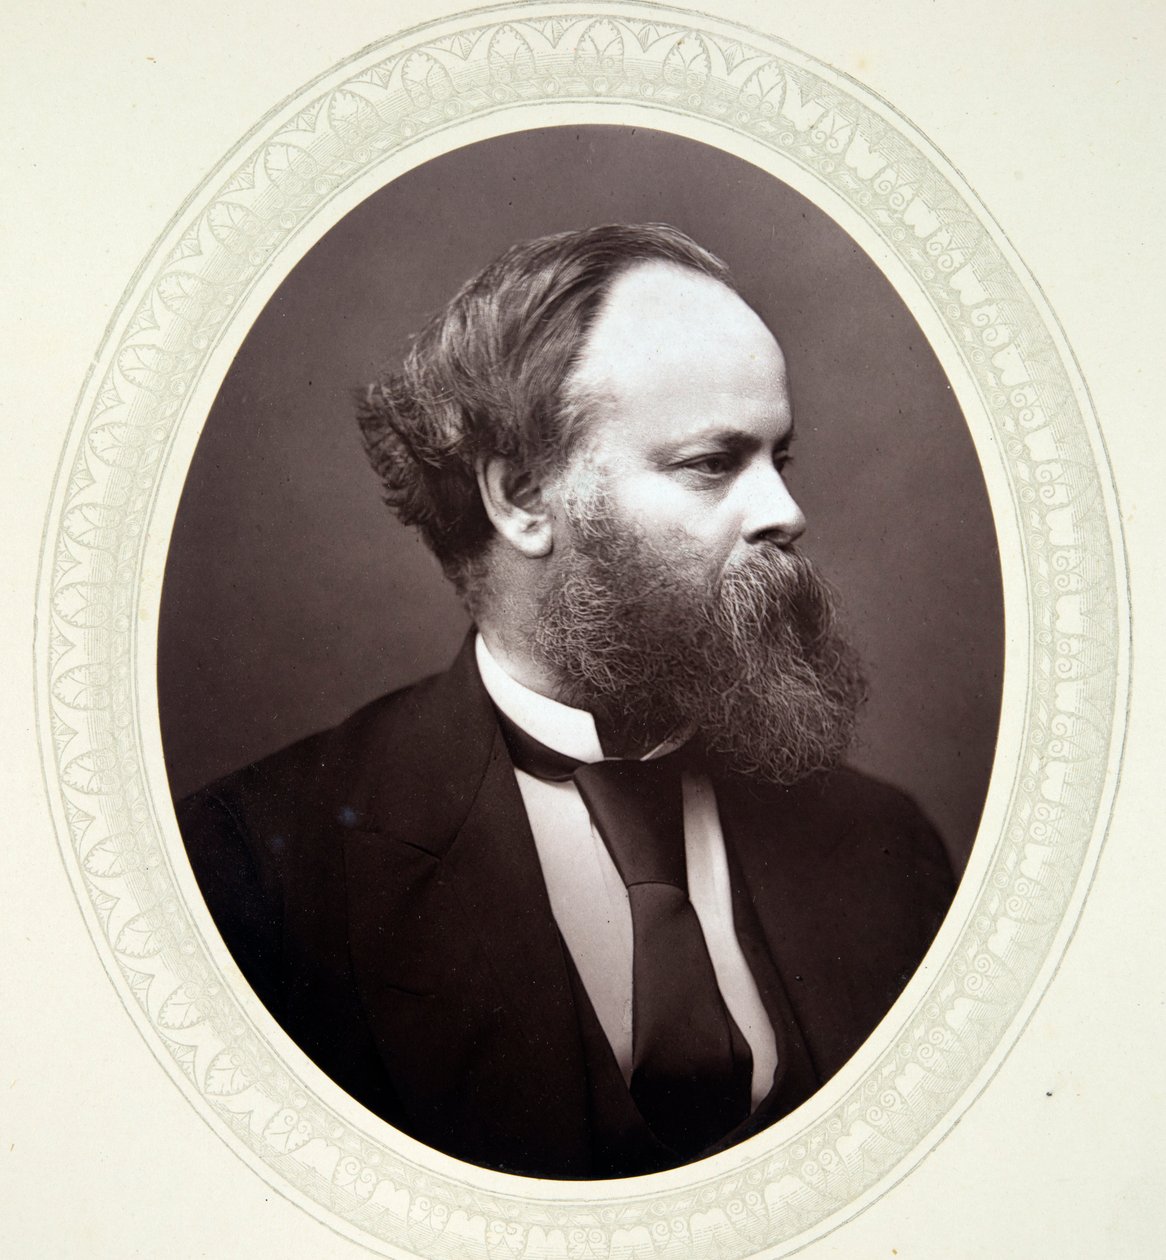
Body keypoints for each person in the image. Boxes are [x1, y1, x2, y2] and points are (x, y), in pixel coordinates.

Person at [177, 223, 954, 1180]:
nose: (785, 513)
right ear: (521, 497)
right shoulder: (255, 874)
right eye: (712, 463)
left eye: (778, 461)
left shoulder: (888, 847)